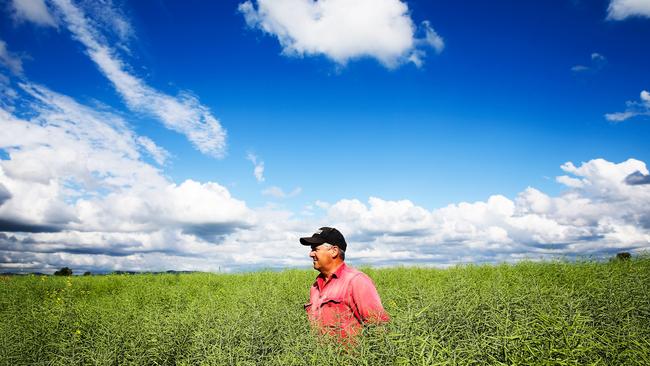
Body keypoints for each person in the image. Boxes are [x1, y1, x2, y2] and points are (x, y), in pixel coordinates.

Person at [300, 227, 389, 337]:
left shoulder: (356, 281)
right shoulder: (315, 286)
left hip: (350, 354)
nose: (311, 254)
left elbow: (378, 327)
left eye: (315, 249)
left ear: (334, 251)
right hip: (320, 354)